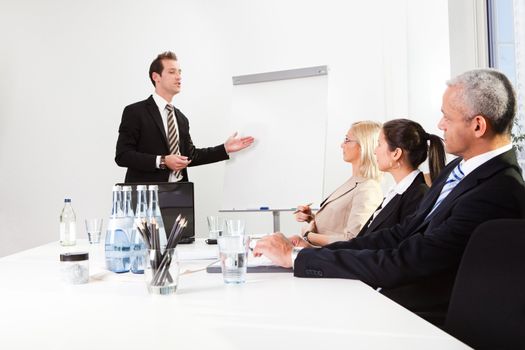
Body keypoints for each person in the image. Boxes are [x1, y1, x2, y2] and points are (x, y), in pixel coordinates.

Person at [254, 69, 525, 326]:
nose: (439, 124)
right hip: (398, 297)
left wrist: (297, 258)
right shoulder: (458, 168)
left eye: (447, 117)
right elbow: (399, 235)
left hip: (423, 318)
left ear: (478, 126)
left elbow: (413, 259)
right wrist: (308, 253)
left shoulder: (499, 189)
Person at [115, 51, 254, 183]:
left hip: (179, 194)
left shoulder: (181, 119)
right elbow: (123, 155)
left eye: (179, 72)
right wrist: (162, 161)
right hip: (145, 198)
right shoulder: (135, 112)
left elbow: (190, 156)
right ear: (156, 77)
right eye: (172, 72)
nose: (178, 76)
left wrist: (224, 148)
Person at [295, 121, 383, 245]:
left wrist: (308, 235)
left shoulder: (368, 188)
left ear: (364, 145)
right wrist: (311, 218)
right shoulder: (355, 182)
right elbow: (338, 225)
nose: (342, 145)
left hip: (329, 259)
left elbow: (352, 239)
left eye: (347, 140)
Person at [357, 118, 445, 236]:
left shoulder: (417, 195)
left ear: (396, 153)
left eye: (379, 144)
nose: (374, 151)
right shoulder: (396, 192)